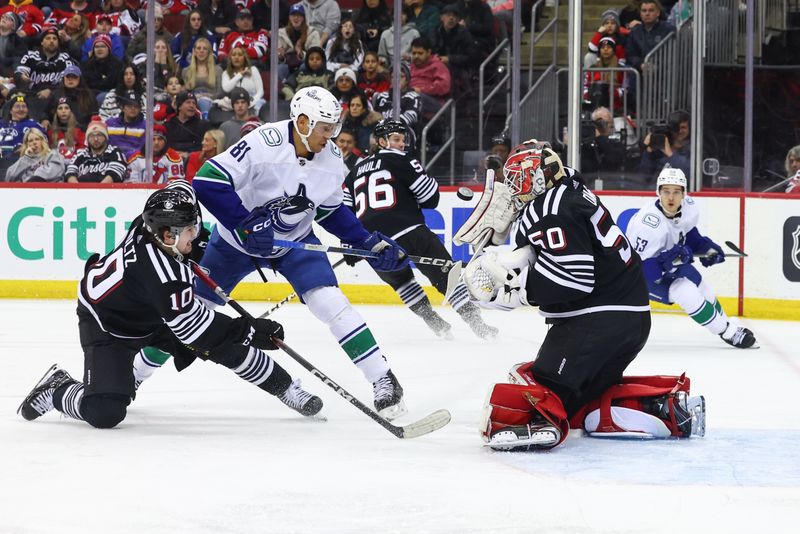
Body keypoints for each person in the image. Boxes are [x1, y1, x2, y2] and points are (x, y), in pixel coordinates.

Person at [457, 140, 705, 451]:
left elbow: (574, 281)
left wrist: (517, 293)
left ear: (537, 179)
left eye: (518, 182)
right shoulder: (570, 186)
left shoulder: (549, 209)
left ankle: (545, 422)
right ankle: (667, 408)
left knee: (539, 391)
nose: (514, 191)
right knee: (578, 406)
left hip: (597, 322)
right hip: (628, 320)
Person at [17, 181, 322, 429]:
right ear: (167, 235)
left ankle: (285, 388)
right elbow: (197, 331)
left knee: (222, 347)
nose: (197, 234)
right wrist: (250, 331)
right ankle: (57, 388)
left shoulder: (152, 223)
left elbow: (180, 188)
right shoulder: (165, 279)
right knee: (105, 412)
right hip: (108, 324)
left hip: (146, 308)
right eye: (190, 231)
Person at [192, 86, 410, 420]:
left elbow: (329, 210)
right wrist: (244, 225)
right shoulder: (263, 143)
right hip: (235, 245)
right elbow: (207, 180)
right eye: (326, 127)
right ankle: (133, 376)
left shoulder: (333, 159)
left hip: (295, 242)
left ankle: (382, 377)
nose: (332, 135)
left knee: (329, 301)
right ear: (304, 122)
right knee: (191, 315)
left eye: (334, 127)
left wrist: (366, 241)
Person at [344, 119, 498, 339]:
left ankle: (435, 323)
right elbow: (430, 198)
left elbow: (345, 212)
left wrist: (350, 244)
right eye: (396, 139)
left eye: (403, 140)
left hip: (373, 242)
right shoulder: (401, 158)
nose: (402, 144)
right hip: (410, 231)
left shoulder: (354, 171)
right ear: (381, 141)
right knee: (447, 276)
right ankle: (478, 324)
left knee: (402, 282)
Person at [625, 167, 757, 348]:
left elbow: (689, 233)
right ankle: (726, 331)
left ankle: (727, 324)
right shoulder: (648, 226)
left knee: (701, 285)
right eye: (666, 192)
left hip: (667, 263)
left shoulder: (689, 207)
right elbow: (640, 269)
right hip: (637, 276)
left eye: (676, 192)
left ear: (684, 194)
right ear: (658, 192)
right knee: (685, 290)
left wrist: (705, 247)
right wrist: (667, 262)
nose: (671, 198)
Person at [65, 116, 127, 183]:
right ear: (87, 139)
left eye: (99, 135)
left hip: (106, 191)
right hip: (81, 191)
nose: (95, 139)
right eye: (92, 136)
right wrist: (79, 190)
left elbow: (115, 173)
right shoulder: (80, 154)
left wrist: (98, 190)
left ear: (105, 137)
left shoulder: (114, 152)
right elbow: (70, 173)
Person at [276, 3, 322, 83]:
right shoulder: (280, 33)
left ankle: (297, 86)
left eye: (299, 15)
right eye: (293, 15)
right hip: (287, 63)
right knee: (279, 68)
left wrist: (301, 54)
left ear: (303, 18)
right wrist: (281, 57)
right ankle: (285, 88)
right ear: (289, 17)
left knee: (304, 67)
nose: (296, 18)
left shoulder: (313, 33)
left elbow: (316, 55)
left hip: (305, 63)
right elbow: (277, 57)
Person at [624, 0, 675, 71]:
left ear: (658, 13)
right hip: (641, 75)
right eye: (644, 11)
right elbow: (630, 55)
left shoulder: (669, 30)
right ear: (640, 13)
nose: (647, 13)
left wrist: (657, 67)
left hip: (664, 75)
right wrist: (640, 64)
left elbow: (673, 55)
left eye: (651, 10)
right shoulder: (635, 32)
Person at [182, 37, 223, 118]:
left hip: (212, 102)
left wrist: (207, 96)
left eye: (205, 49)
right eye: (198, 48)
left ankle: (204, 121)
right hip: (193, 102)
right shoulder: (186, 71)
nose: (201, 51)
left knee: (204, 102)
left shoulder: (218, 70)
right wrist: (195, 98)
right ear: (194, 51)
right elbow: (186, 92)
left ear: (209, 52)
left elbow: (220, 92)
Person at [580, 105, 626, 174]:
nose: (602, 125)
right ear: (593, 123)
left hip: (609, 181)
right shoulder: (586, 143)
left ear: (612, 124)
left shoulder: (616, 144)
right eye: (600, 122)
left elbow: (613, 161)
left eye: (606, 123)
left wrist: (602, 137)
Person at [165, 90, 211, 159]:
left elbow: (204, 148)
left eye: (194, 103)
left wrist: (189, 155)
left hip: (194, 160)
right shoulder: (168, 125)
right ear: (179, 106)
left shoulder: (203, 125)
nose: (192, 106)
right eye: (188, 102)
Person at [219, 45, 264, 114]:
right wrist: (240, 74)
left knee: (260, 104)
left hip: (253, 101)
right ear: (230, 58)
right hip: (235, 104)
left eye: (240, 55)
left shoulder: (253, 70)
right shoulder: (226, 73)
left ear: (245, 58)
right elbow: (226, 88)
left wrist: (250, 103)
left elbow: (260, 91)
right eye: (234, 55)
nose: (236, 57)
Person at [106, 89, 147, 159]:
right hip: (112, 159)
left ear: (140, 109)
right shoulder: (110, 124)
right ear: (122, 107)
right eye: (129, 106)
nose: (133, 108)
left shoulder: (145, 126)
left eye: (136, 106)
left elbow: (144, 149)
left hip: (135, 160)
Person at [48, 96, 86, 162]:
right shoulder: (51, 132)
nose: (63, 111)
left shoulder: (79, 130)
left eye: (66, 108)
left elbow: (82, 151)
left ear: (71, 111)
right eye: (60, 108)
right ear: (56, 112)